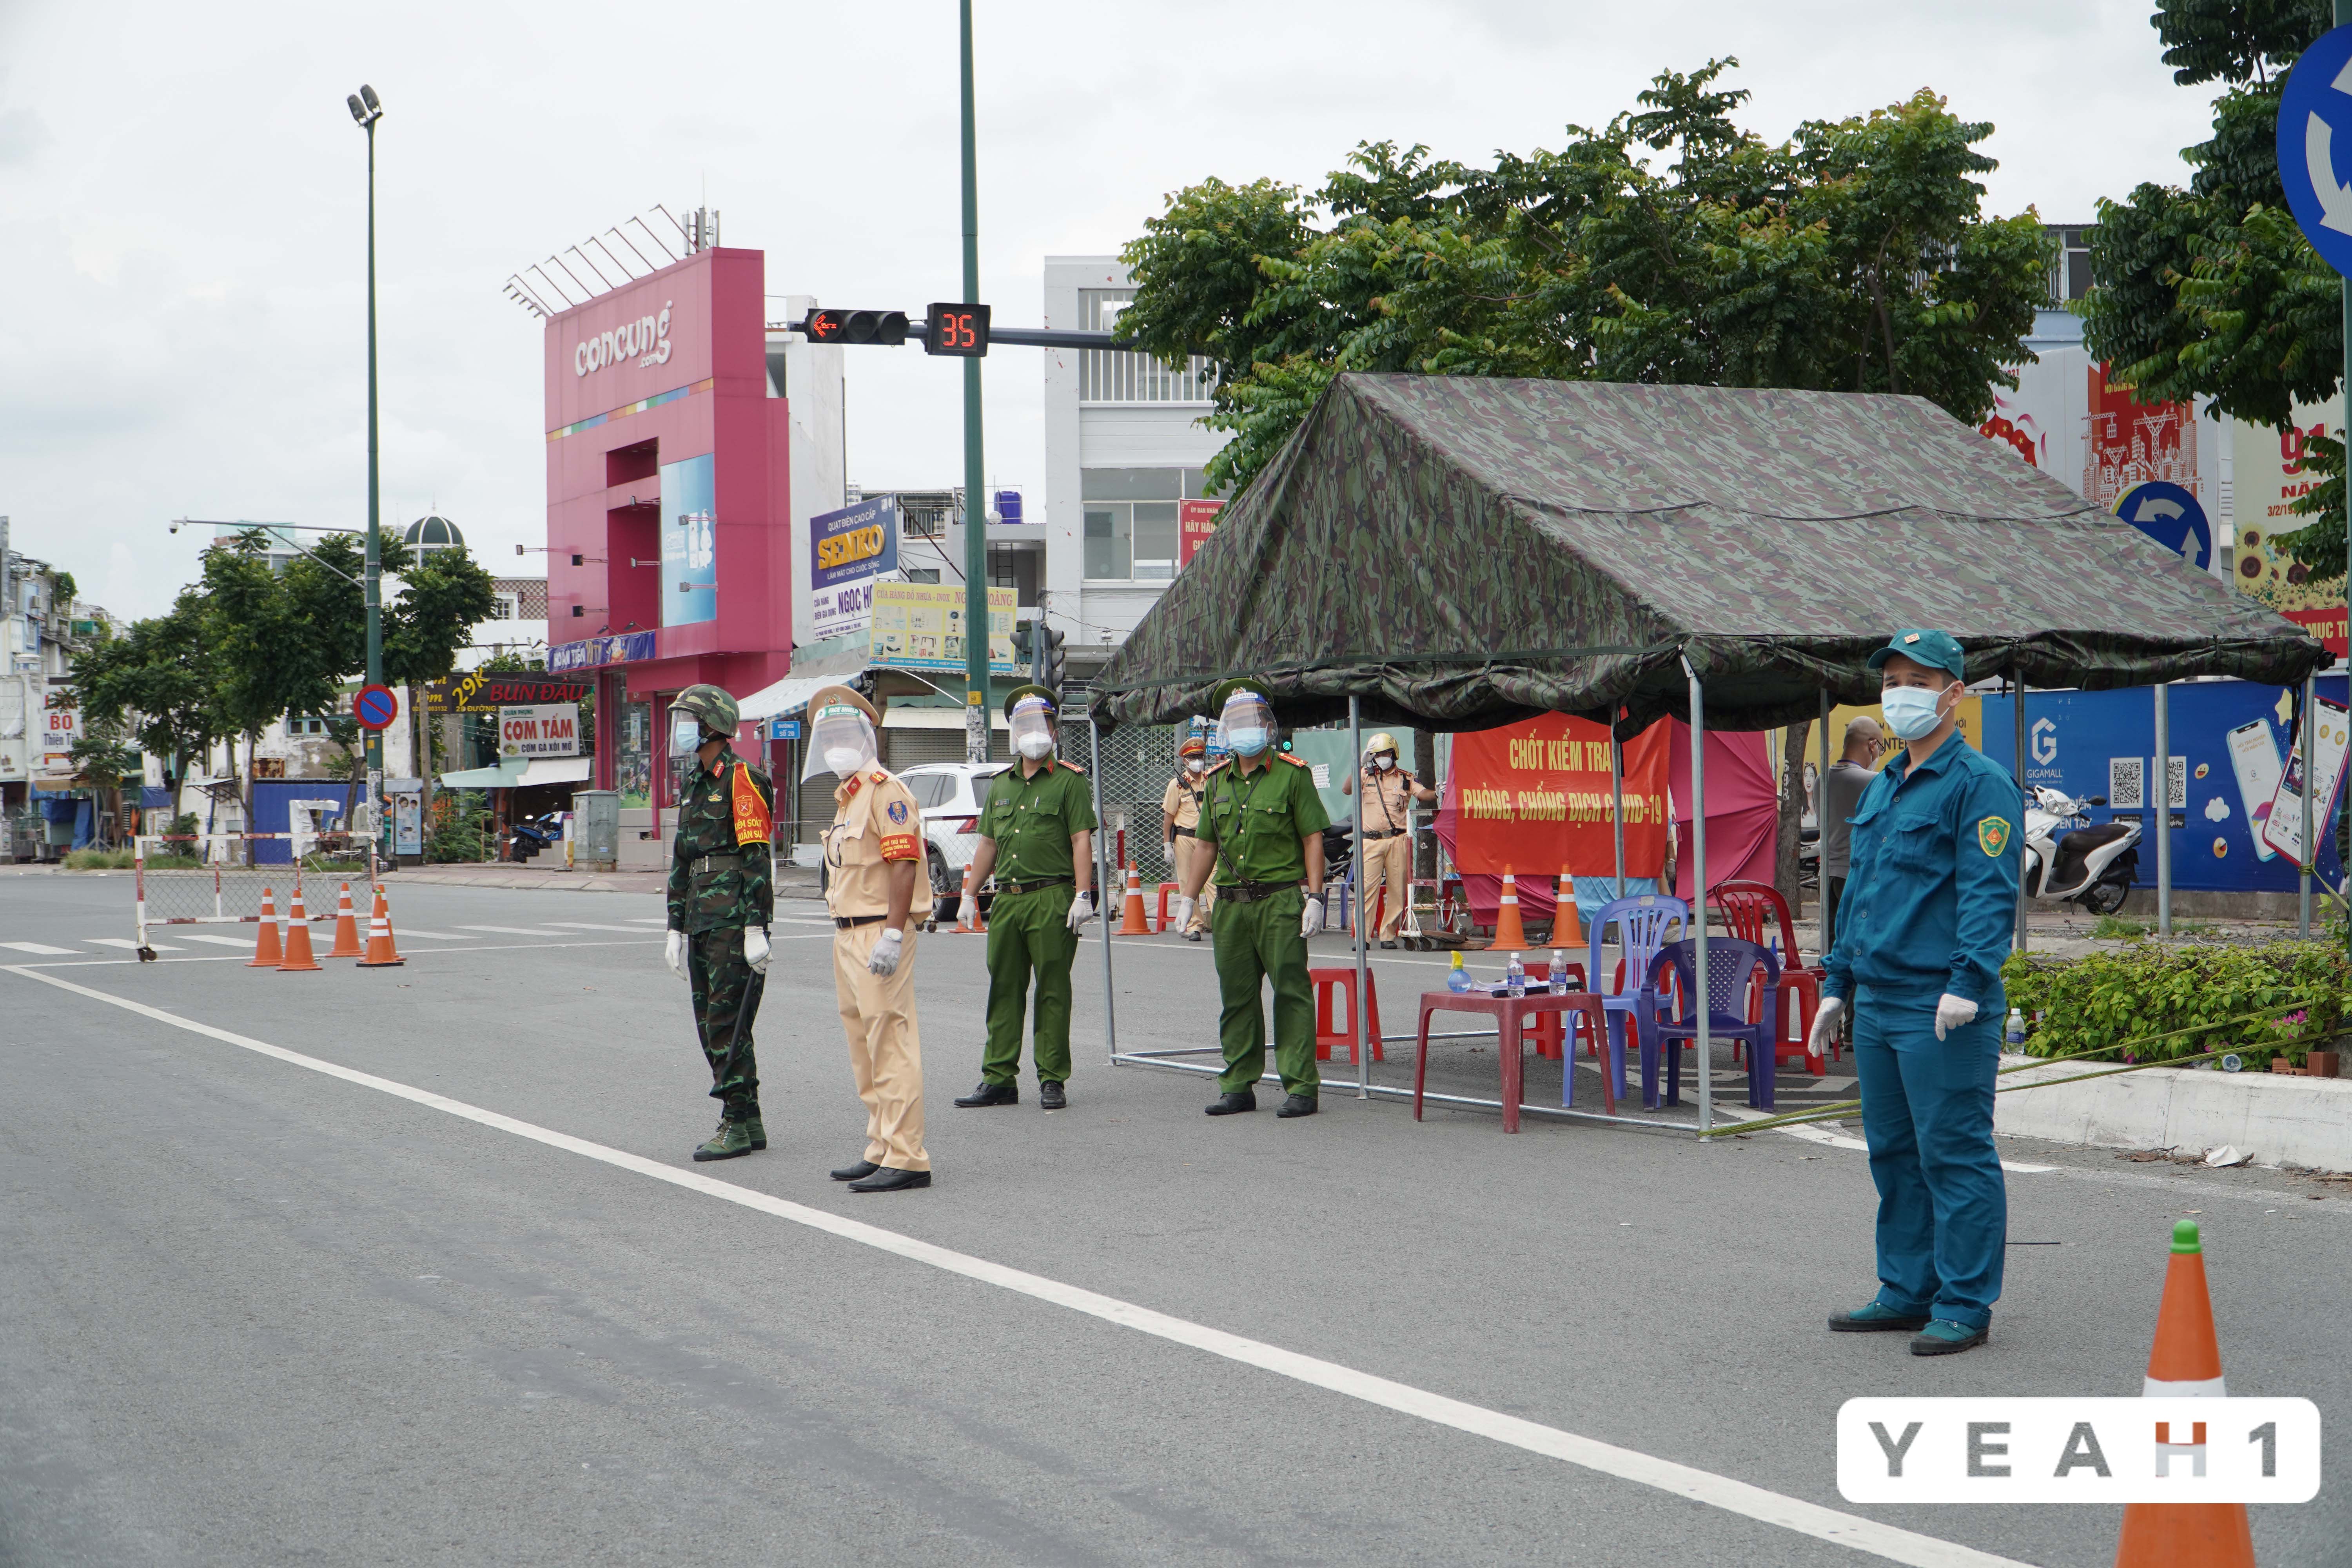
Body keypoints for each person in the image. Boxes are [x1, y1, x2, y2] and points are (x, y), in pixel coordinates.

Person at [1808, 631, 2020, 1356]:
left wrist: (1969, 980)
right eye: (1892, 678)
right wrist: (1835, 983)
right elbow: (1857, 893)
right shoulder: (1886, 786)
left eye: (1919, 679)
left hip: (1942, 1005)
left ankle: (1964, 1301)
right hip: (1879, 1001)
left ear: (1954, 693)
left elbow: (1991, 896)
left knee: (1953, 1154)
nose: (1902, 691)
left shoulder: (1979, 783)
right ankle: (1907, 1288)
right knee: (1893, 1151)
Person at [1171, 678, 1331, 1118]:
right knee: (1237, 996)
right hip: (1229, 905)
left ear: (1268, 725)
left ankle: (1301, 1086)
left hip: (1279, 900)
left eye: (1252, 720)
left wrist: (1315, 896)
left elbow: (1312, 838)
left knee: (1291, 993)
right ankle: (1238, 1083)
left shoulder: (1292, 774)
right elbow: (1205, 845)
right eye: (1235, 721)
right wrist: (1189, 900)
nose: (1245, 730)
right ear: (1225, 729)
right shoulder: (1218, 779)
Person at [809, 685, 934, 1193]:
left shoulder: (886, 791)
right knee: (863, 1045)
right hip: (847, 935)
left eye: (845, 734)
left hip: (879, 933)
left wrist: (891, 934)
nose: (837, 744)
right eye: (829, 736)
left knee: (891, 1043)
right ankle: (881, 1145)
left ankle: (908, 1157)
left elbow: (902, 866)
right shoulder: (848, 798)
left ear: (866, 738)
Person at [953, 685, 1098, 1111]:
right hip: (1009, 901)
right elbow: (988, 846)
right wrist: (969, 893)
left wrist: (1083, 893)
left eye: (1043, 724)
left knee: (1053, 989)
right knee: (1004, 988)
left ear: (1054, 730)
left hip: (1052, 896)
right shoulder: (1001, 785)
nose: (1035, 732)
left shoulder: (1069, 782)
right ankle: (998, 1078)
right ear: (1014, 733)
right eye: (1026, 725)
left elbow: (1080, 840)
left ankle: (1052, 1078)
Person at [662, 683, 775, 1163]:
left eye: (687, 720)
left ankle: (734, 1121)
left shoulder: (742, 778)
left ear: (711, 725)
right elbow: (682, 859)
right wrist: (673, 925)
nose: (680, 730)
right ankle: (749, 1118)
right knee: (710, 1022)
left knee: (728, 1023)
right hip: (701, 919)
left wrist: (756, 926)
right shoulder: (694, 783)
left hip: (732, 917)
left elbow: (756, 857)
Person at [1339, 731, 1436, 949]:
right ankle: (1363, 937)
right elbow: (1346, 790)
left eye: (1384, 753)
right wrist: (1359, 764)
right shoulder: (1365, 775)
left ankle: (1388, 935)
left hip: (1397, 840)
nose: (1381, 757)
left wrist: (1439, 792)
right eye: (1377, 754)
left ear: (1393, 754)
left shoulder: (1405, 778)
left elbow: (1423, 794)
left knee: (1397, 890)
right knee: (1367, 891)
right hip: (1370, 841)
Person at [1818, 715, 1884, 963]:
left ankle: (1832, 1000)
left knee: (1834, 955)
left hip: (1827, 877)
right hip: (1857, 878)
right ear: (1872, 745)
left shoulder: (1821, 780)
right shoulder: (1874, 782)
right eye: (1880, 748)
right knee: (1858, 954)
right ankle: (1854, 1004)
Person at [1161, 734, 1216, 941]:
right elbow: (1169, 818)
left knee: (1214, 880)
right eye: (1193, 758)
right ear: (1185, 761)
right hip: (1185, 838)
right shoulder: (1177, 785)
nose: (1198, 762)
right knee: (1186, 880)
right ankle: (1194, 926)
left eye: (1200, 757)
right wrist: (1168, 844)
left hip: (1208, 839)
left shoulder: (1212, 780)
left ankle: (1220, 921)